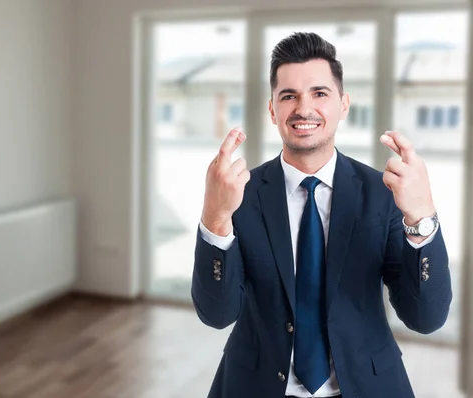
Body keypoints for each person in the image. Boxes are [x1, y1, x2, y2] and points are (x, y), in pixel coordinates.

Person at [191, 32, 451, 398]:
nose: (303, 108)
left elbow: (426, 318)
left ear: (343, 104)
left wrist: (422, 214)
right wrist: (215, 218)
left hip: (367, 385)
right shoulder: (240, 193)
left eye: (319, 93)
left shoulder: (384, 193)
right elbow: (216, 315)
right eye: (288, 96)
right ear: (272, 110)